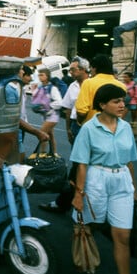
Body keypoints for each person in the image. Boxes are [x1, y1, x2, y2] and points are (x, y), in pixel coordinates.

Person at [71, 84, 137, 274]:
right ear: (102, 104)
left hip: (122, 183)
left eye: (123, 101)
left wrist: (134, 188)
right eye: (116, 101)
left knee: (122, 236)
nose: (122, 105)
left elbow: (129, 161)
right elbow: (81, 165)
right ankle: (86, 253)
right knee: (91, 224)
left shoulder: (126, 127)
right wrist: (78, 194)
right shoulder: (88, 129)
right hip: (96, 181)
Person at [39, 56, 90, 213]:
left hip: (91, 128)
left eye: (73, 69)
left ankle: (66, 202)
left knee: (82, 166)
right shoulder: (73, 86)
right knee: (77, 163)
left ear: (83, 70)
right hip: (76, 127)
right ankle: (67, 201)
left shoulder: (93, 84)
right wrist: (68, 129)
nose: (70, 72)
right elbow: (68, 109)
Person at [75, 54, 126, 125]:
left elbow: (81, 112)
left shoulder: (88, 83)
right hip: (113, 128)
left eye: (91, 68)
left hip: (92, 128)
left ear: (94, 69)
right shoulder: (122, 86)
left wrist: (80, 123)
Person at [30, 68, 62, 155]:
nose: (40, 77)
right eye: (39, 75)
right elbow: (36, 100)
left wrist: (48, 106)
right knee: (50, 135)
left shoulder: (53, 88)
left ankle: (42, 153)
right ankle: (54, 153)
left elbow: (59, 102)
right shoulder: (40, 87)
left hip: (53, 116)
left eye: (42, 75)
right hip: (45, 116)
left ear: (47, 76)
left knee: (42, 134)